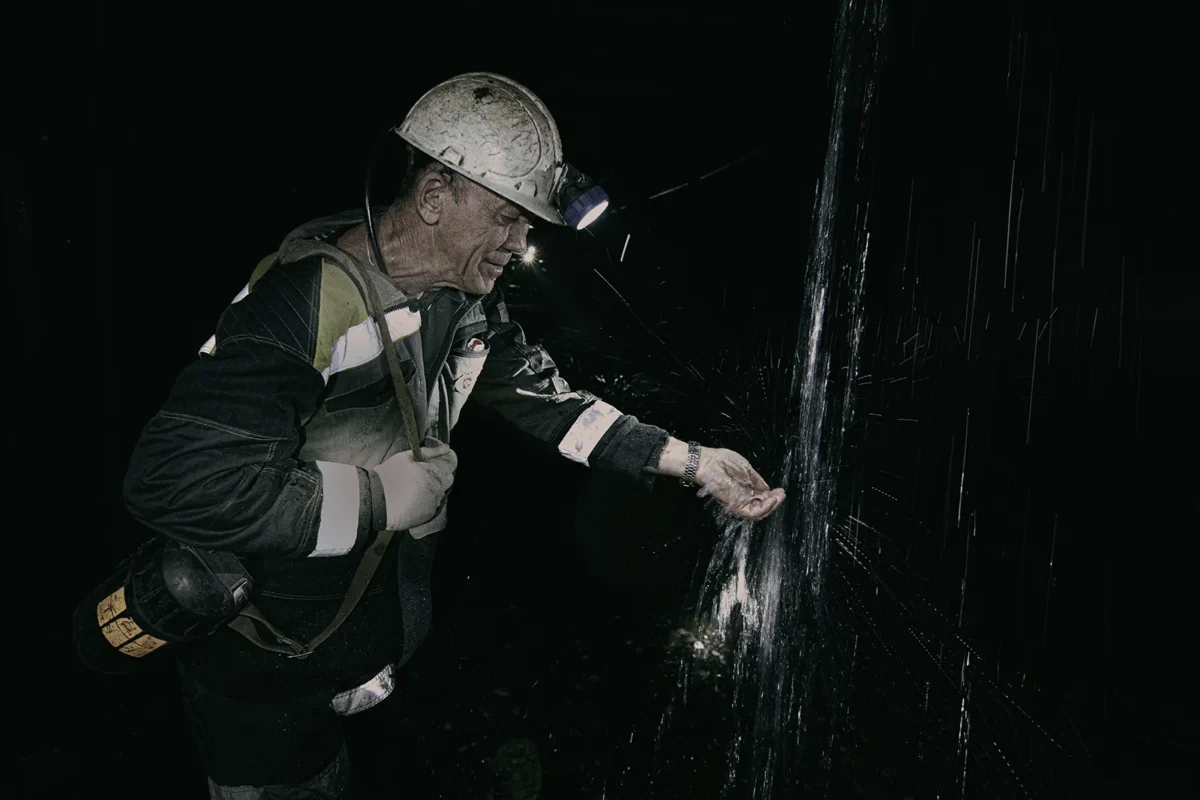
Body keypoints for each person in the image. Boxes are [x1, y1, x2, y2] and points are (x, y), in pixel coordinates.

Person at [121, 71, 785, 799]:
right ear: (435, 196)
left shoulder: (456, 303)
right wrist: (381, 496)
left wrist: (692, 461)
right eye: (506, 218)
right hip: (264, 671)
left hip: (348, 649)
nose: (521, 241)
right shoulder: (302, 307)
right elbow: (173, 481)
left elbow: (548, 401)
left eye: (526, 223)